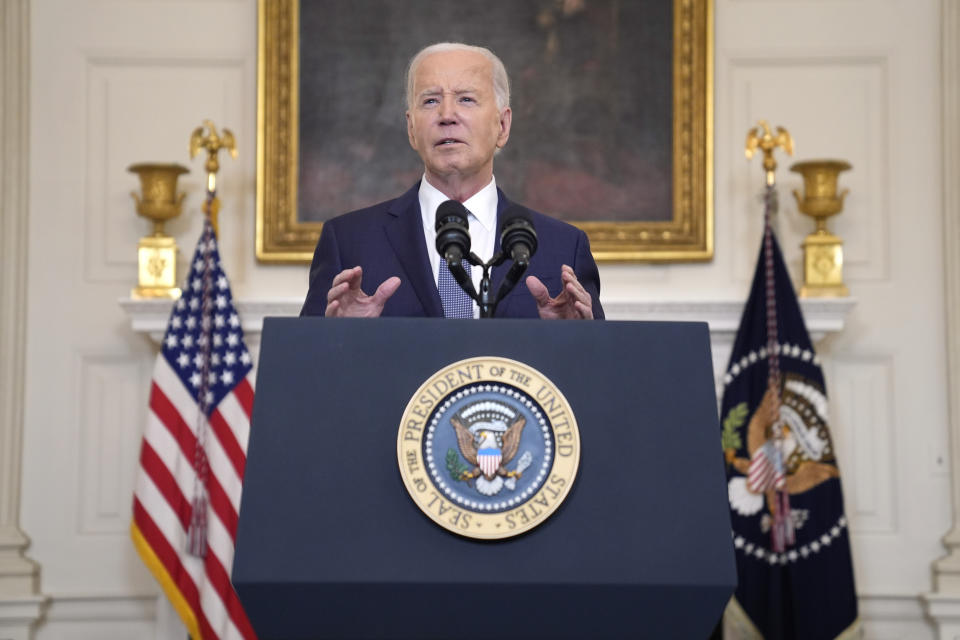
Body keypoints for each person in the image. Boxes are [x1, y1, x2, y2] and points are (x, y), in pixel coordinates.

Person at [300, 42, 604, 320]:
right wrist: (338, 338)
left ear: (502, 125)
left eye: (466, 99)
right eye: (431, 101)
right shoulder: (348, 242)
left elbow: (600, 372)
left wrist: (575, 340)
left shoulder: (563, 247)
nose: (447, 115)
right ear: (411, 129)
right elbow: (305, 370)